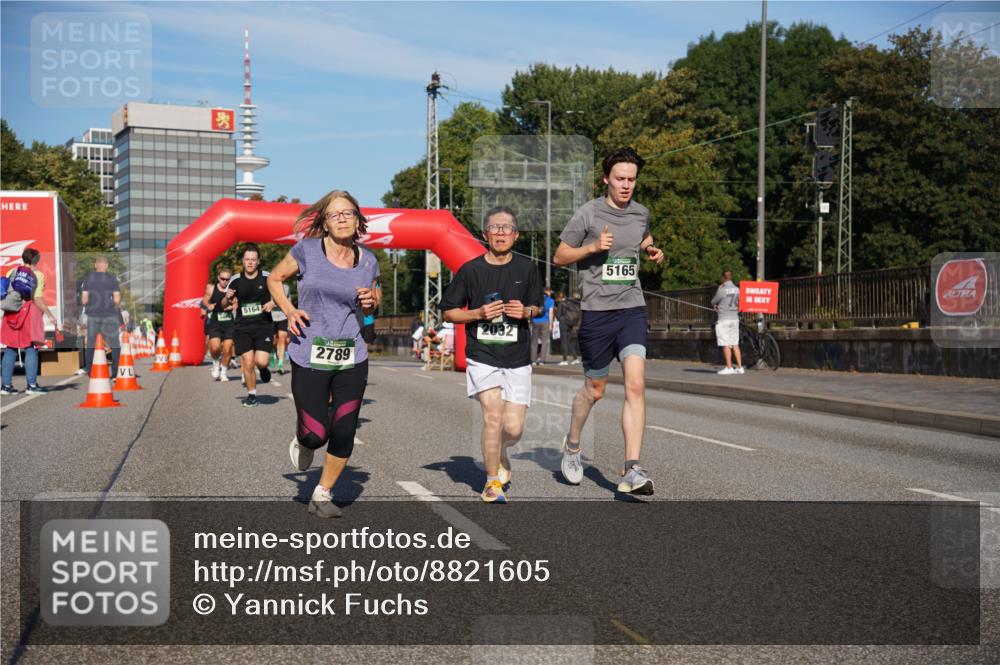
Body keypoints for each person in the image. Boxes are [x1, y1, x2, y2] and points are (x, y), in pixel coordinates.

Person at [552, 147, 665, 495]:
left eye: (632, 179)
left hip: (631, 308)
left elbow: (641, 236)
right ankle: (572, 446)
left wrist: (651, 250)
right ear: (606, 179)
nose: (626, 185)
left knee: (635, 385)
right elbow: (559, 256)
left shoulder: (641, 213)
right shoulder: (588, 214)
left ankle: (632, 468)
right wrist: (591, 248)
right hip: (597, 314)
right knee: (595, 390)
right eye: (620, 179)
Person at [268, 189, 379, 518]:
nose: (343, 218)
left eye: (348, 213)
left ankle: (322, 492)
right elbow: (275, 278)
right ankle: (304, 441)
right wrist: (289, 310)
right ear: (325, 222)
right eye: (335, 214)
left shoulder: (369, 259)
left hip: (351, 353)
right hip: (309, 350)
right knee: (316, 434)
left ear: (358, 219)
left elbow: (372, 297)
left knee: (345, 427)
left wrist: (373, 301)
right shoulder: (307, 250)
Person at [441, 206, 542, 503]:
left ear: (516, 235)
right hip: (482, 353)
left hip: (518, 357)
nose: (500, 233)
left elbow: (538, 307)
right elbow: (449, 311)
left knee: (513, 427)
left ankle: (502, 452)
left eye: (506, 228)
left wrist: (526, 311)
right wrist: (478, 313)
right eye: (495, 228)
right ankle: (491, 482)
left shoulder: (527, 268)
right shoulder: (471, 270)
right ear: (485, 234)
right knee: (493, 416)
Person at [2, 248, 60, 395]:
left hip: (10, 314)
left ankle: (6, 386)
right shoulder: (37, 275)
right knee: (31, 348)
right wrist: (49, 315)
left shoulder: (12, 271)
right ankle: (32, 385)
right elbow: (37, 298)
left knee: (10, 349)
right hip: (27, 314)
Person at [221, 244, 274, 406]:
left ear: (258, 262)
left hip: (263, 325)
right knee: (248, 362)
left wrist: (272, 302)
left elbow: (280, 295)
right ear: (243, 261)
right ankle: (252, 395)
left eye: (253, 259)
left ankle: (264, 369)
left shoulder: (268, 277)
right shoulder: (235, 280)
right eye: (247, 259)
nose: (250, 262)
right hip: (243, 327)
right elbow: (223, 305)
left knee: (262, 361)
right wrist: (228, 297)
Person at [80, 255, 122, 378]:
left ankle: (90, 370)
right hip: (110, 315)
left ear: (96, 265)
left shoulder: (88, 278)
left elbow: (84, 299)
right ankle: (115, 373)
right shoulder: (113, 279)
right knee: (115, 344)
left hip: (93, 315)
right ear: (107, 266)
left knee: (91, 344)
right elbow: (117, 299)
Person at [203, 268, 236, 382]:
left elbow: (237, 303)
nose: (224, 281)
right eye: (222, 279)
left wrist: (233, 307)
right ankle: (216, 362)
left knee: (227, 349)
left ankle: (224, 372)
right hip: (216, 322)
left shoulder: (233, 290)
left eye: (227, 279)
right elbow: (205, 301)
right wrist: (209, 306)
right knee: (215, 347)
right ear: (218, 278)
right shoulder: (211, 288)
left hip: (229, 322)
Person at [711, 270, 744, 375]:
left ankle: (729, 367)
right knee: (735, 343)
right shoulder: (737, 289)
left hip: (724, 319)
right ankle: (740, 367)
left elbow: (713, 301)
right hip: (734, 319)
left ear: (723, 278)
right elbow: (739, 303)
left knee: (725, 344)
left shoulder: (722, 289)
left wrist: (717, 305)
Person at [270, 281, 292, 374]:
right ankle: (272, 353)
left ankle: (280, 364)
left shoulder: (286, 287)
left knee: (282, 338)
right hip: (271, 316)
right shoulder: (269, 285)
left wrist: (290, 316)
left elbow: (288, 302)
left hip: (282, 316)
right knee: (273, 340)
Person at [556, 289, 582, 365]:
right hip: (573, 323)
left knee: (564, 341)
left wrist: (560, 319)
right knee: (571, 341)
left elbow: (558, 315)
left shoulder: (562, 303)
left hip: (564, 323)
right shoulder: (573, 302)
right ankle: (575, 358)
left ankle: (565, 360)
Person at [530, 287, 554, 366]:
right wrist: (551, 324)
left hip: (535, 321)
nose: (550, 293)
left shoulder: (536, 300)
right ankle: (542, 360)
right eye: (550, 292)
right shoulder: (550, 300)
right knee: (544, 341)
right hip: (545, 322)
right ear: (547, 292)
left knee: (534, 341)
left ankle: (533, 360)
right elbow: (551, 313)